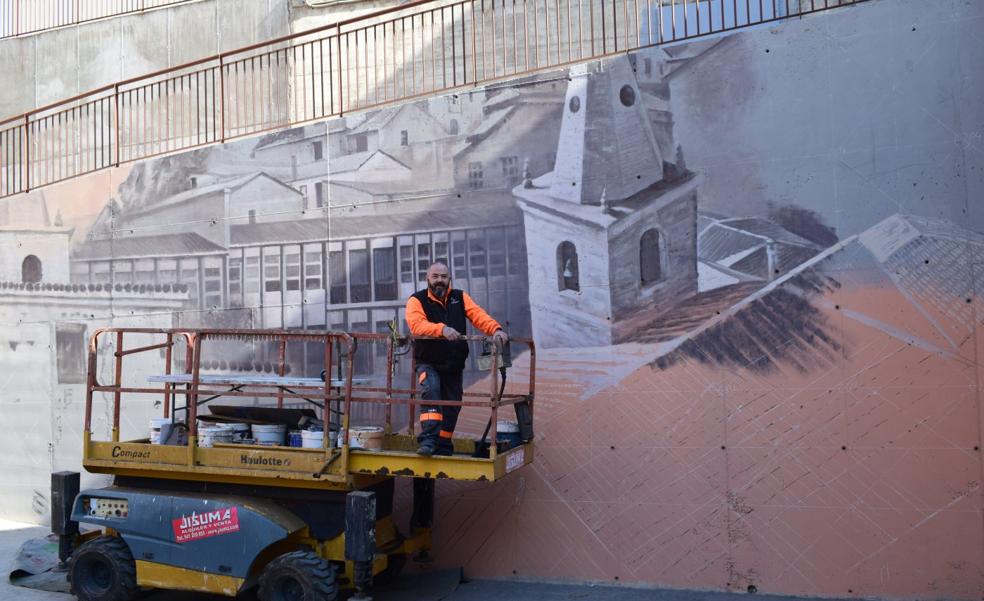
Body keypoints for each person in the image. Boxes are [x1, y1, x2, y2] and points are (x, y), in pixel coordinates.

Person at [405, 262, 508, 456]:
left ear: (449, 278)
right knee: (431, 392)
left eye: (444, 276)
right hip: (428, 362)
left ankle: (444, 443)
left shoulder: (459, 297)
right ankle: (428, 441)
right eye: (435, 276)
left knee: (453, 403)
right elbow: (416, 325)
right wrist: (441, 329)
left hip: (453, 364)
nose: (440, 280)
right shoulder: (416, 300)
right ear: (427, 279)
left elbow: (478, 315)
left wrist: (496, 329)